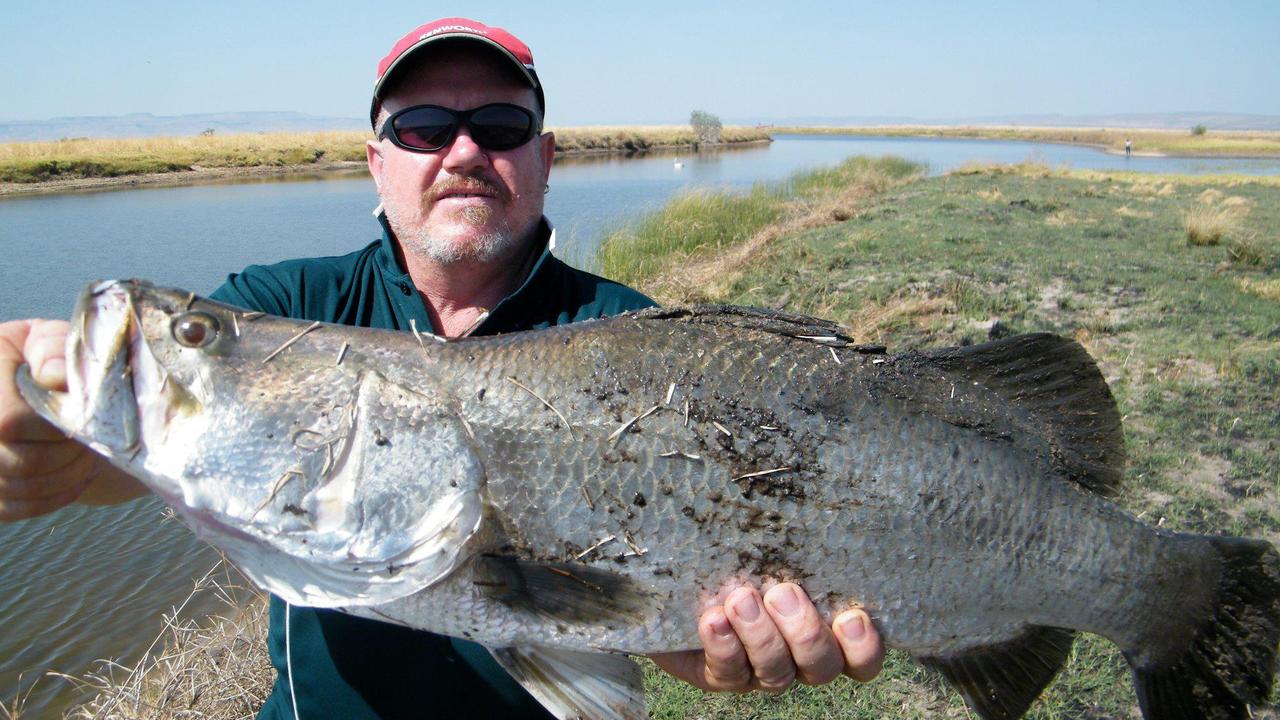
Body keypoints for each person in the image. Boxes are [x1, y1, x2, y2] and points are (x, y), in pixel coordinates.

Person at [0, 17, 884, 719]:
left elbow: (634, 636)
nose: (463, 152)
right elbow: (132, 459)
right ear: (376, 162)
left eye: (500, 126)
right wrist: (45, 438)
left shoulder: (635, 337)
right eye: (423, 128)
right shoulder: (284, 308)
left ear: (544, 157)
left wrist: (713, 655)